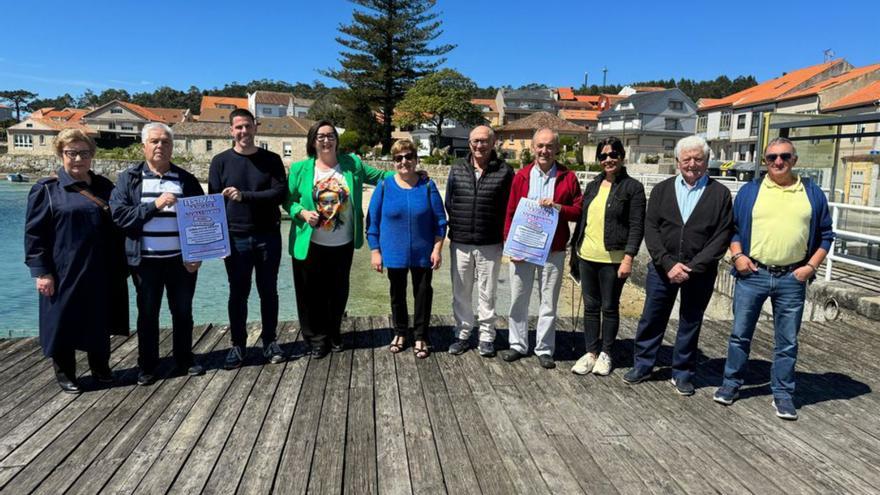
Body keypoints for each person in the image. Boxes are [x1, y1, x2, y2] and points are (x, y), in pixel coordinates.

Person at [714, 137, 833, 420]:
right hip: (753, 272)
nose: (778, 162)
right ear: (765, 161)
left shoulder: (812, 193)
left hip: (792, 277)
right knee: (740, 335)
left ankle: (782, 394)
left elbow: (826, 235)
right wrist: (738, 257)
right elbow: (733, 228)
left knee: (788, 340)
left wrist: (810, 267)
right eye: (772, 158)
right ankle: (731, 384)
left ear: (795, 159)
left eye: (784, 157)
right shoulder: (750, 191)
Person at [623, 135, 733, 395]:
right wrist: (668, 263)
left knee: (690, 321)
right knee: (652, 317)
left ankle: (683, 372)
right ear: (677, 162)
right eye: (687, 159)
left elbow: (722, 235)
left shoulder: (720, 193)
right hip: (663, 269)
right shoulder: (662, 190)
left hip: (700, 272)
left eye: (698, 159)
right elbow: (651, 229)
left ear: (707, 161)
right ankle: (643, 364)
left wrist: (694, 266)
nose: (692, 163)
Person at [24, 129, 128, 393]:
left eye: (84, 153)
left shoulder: (105, 186)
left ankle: (101, 368)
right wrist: (41, 272)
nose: (78, 158)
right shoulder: (46, 190)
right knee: (62, 321)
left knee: (98, 320)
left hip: (100, 268)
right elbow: (34, 234)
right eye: (72, 153)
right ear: (61, 154)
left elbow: (121, 221)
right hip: (62, 269)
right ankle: (66, 373)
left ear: (92, 155)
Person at [284, 120, 394, 358]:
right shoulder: (300, 169)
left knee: (338, 291)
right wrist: (301, 212)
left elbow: (382, 176)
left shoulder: (352, 164)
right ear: (313, 141)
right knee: (310, 294)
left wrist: (410, 172)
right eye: (320, 136)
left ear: (336, 139)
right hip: (309, 243)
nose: (326, 140)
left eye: (330, 135)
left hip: (342, 244)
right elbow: (287, 200)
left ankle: (334, 332)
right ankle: (316, 338)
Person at [110, 122, 205, 386]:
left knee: (183, 312)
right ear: (144, 146)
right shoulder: (128, 179)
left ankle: (184, 358)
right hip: (145, 262)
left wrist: (196, 253)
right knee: (148, 314)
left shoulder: (185, 179)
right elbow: (120, 217)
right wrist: (155, 205)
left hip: (181, 261)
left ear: (172, 147)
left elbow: (201, 221)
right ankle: (147, 365)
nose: (160, 146)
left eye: (165, 141)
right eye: (154, 141)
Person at [209, 109, 287, 369]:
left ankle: (269, 341)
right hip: (235, 237)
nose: (244, 132)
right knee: (238, 293)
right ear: (231, 130)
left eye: (248, 126)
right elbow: (212, 206)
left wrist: (245, 196)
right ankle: (238, 345)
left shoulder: (272, 159)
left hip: (268, 235)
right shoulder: (219, 162)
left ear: (256, 127)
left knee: (269, 291)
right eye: (238, 127)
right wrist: (215, 241)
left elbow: (279, 194)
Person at [501, 128, 583, 369]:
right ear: (533, 148)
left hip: (553, 250)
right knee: (518, 298)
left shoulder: (568, 178)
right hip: (523, 248)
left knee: (548, 301)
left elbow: (578, 211)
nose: (544, 150)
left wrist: (558, 207)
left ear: (556, 149)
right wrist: (510, 244)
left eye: (549, 146)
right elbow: (510, 212)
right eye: (540, 146)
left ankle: (544, 348)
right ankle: (517, 344)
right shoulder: (521, 176)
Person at [569, 137, 645, 376]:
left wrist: (629, 257)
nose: (608, 159)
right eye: (603, 156)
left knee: (610, 307)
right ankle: (591, 352)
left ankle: (606, 353)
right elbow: (582, 218)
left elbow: (636, 226)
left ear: (622, 157)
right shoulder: (592, 185)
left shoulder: (633, 188)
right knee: (591, 306)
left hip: (613, 258)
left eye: (613, 155)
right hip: (587, 255)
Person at [367, 139, 447, 358]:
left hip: (423, 252)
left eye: (408, 157)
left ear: (415, 159)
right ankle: (400, 332)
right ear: (394, 162)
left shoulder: (427, 186)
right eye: (398, 158)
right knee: (397, 294)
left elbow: (440, 221)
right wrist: (375, 251)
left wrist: (437, 249)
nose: (404, 162)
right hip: (393, 252)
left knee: (422, 294)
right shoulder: (384, 186)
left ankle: (421, 336)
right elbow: (372, 222)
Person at [445, 126, 514, 358]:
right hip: (461, 241)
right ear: (469, 142)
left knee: (488, 292)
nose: (479, 145)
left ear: (493, 143)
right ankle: (463, 333)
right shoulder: (457, 169)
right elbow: (449, 202)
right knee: (461, 291)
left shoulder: (505, 171)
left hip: (490, 242)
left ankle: (486, 337)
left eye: (484, 141)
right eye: (475, 141)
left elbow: (510, 207)